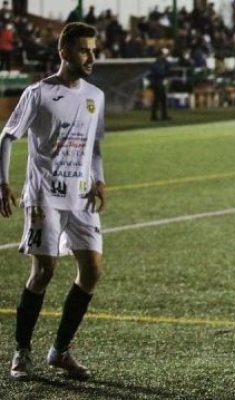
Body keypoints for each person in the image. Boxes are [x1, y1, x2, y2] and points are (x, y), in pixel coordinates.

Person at [2, 22, 107, 381]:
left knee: (92, 270)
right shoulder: (39, 93)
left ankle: (60, 351)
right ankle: (21, 352)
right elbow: (7, 136)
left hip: (81, 198)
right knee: (44, 272)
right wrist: (2, 183)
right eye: (84, 50)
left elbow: (93, 144)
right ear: (64, 52)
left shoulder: (95, 95)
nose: (91, 56)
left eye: (93, 50)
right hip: (45, 197)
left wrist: (100, 179)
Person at [149, 47, 171, 121]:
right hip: (157, 83)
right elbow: (161, 73)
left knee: (162, 100)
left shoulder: (162, 63)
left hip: (159, 83)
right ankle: (155, 116)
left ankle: (162, 115)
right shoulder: (157, 64)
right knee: (158, 100)